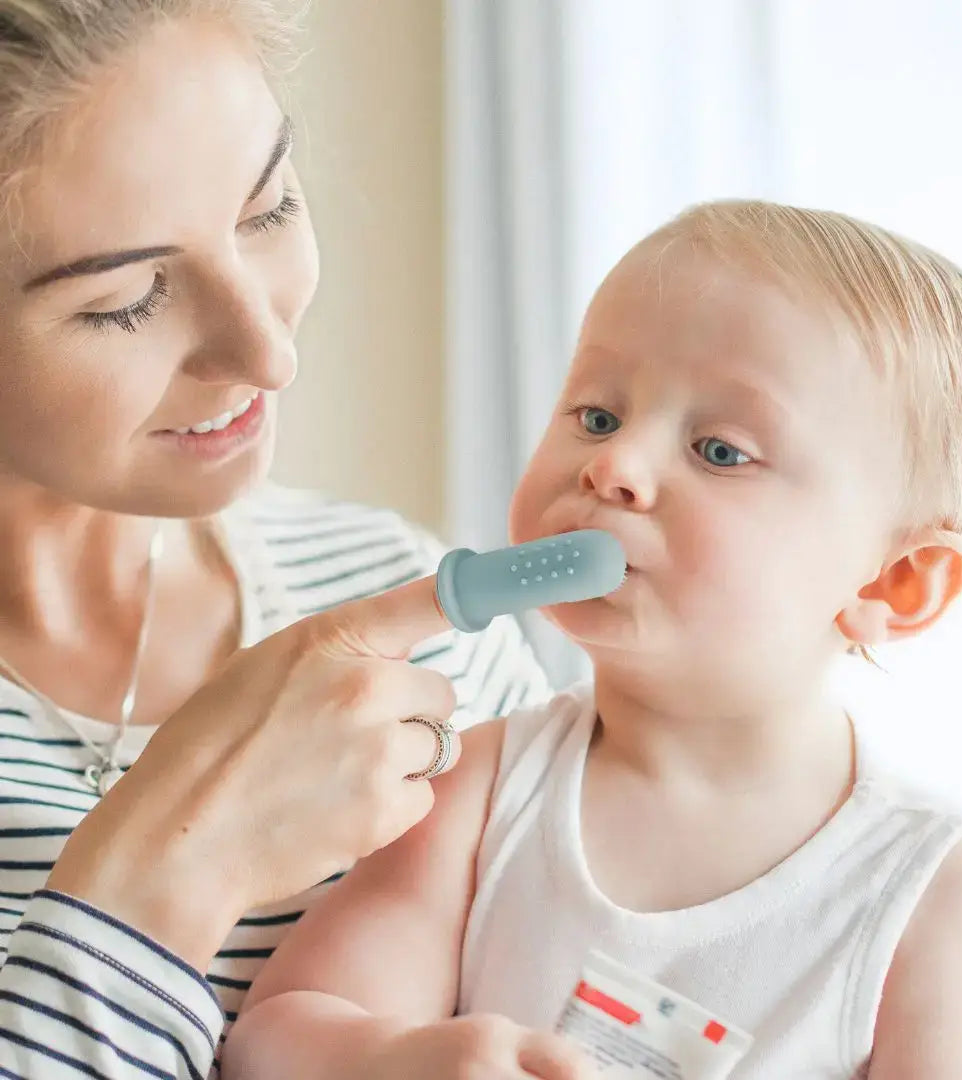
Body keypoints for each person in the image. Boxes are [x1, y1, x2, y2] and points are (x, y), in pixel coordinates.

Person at [225, 200, 962, 1080]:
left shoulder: (936, 886)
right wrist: (395, 1058)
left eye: (720, 451)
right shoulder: (476, 790)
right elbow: (273, 1040)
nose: (612, 467)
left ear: (893, 584)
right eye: (596, 415)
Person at [0, 2, 550, 1077]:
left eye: (269, 208)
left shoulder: (404, 603)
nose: (268, 351)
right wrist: (157, 881)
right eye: (127, 300)